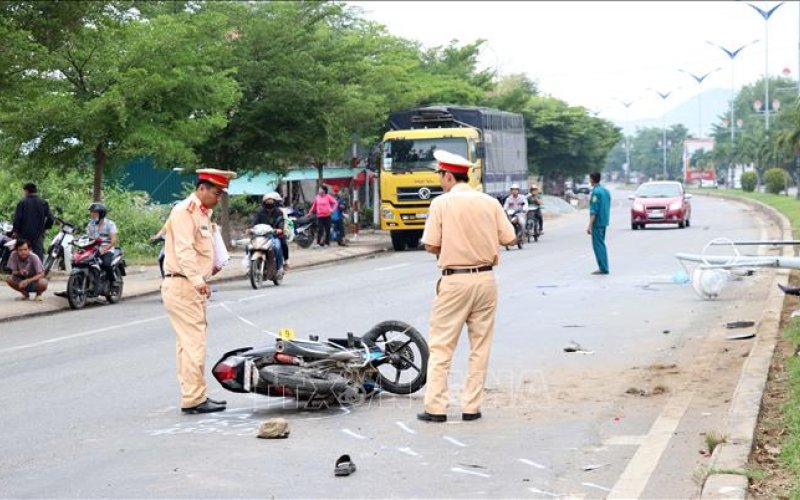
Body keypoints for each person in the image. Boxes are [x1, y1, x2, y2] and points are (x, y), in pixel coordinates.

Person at [417, 150, 517, 423]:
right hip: (486, 280)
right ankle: (471, 407)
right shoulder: (490, 202)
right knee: (480, 346)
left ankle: (436, 408)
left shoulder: (441, 203)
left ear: (448, 175)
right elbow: (509, 238)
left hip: (455, 281)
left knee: (441, 346)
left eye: (441, 176)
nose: (440, 181)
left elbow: (430, 245)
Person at [161, 168, 237, 415]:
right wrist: (196, 280)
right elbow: (184, 250)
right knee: (195, 344)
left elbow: (202, 250)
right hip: (183, 284)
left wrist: (207, 273)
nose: (218, 197)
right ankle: (194, 398)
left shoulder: (203, 214)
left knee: (187, 344)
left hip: (190, 285)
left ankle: (193, 395)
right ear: (202, 188)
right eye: (216, 192)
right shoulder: (185, 211)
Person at [12, 182, 54, 261]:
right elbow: (51, 218)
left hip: (24, 233)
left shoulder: (22, 202)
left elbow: (17, 218)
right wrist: (45, 228)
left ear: (27, 191)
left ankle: (22, 270)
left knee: (22, 252)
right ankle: (38, 271)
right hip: (38, 234)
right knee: (38, 254)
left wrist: (15, 231)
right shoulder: (43, 203)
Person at [249, 192, 285, 272]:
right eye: (267, 201)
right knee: (248, 247)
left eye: (271, 201)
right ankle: (249, 266)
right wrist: (250, 229)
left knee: (277, 247)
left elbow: (281, 222)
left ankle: (279, 268)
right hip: (259, 236)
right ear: (264, 202)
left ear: (275, 202)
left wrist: (279, 229)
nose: (269, 203)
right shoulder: (259, 211)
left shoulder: (279, 212)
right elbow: (254, 222)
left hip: (273, 236)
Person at [86, 202, 119, 285]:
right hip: (94, 248)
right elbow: (88, 238)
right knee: (82, 262)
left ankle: (113, 282)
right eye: (91, 212)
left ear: (101, 214)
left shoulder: (110, 224)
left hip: (107, 249)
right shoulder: (90, 224)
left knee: (106, 264)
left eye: (94, 212)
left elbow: (113, 241)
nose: (92, 214)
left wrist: (104, 249)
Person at [586, 171, 611, 275]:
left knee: (598, 245)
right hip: (604, 221)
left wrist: (589, 225)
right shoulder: (605, 191)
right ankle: (604, 266)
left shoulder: (596, 192)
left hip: (597, 222)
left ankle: (603, 267)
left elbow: (594, 211)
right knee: (601, 244)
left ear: (592, 179)